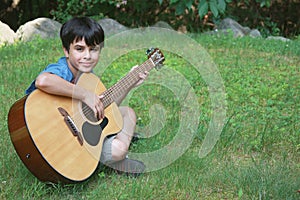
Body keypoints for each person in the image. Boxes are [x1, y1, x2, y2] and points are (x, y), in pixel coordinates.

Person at [25, 16, 148, 177]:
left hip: (83, 134)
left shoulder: (88, 75)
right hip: (59, 138)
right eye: (79, 49)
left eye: (93, 49)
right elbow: (43, 80)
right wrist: (84, 95)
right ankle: (113, 159)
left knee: (128, 113)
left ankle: (113, 156)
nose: (87, 56)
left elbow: (104, 107)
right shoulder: (63, 68)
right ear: (66, 50)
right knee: (118, 149)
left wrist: (129, 83)